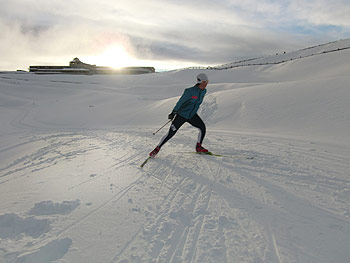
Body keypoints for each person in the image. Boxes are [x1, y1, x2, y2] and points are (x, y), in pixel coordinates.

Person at [149, 73, 210, 157]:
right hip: (181, 115)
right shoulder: (190, 91)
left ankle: (198, 147)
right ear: (199, 81)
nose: (206, 83)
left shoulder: (204, 91)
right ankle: (157, 148)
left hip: (192, 115)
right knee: (171, 133)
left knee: (202, 127)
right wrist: (174, 112)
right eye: (204, 82)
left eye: (207, 82)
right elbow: (180, 102)